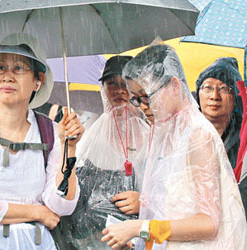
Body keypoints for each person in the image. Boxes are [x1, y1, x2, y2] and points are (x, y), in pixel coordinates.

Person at [101, 44, 247, 250]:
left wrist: (140, 228)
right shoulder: (163, 130)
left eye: (146, 96)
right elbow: (170, 207)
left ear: (175, 86)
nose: (143, 106)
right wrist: (138, 240)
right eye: (136, 99)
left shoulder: (197, 135)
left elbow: (208, 223)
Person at [0, 33, 84, 249]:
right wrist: (36, 212)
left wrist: (70, 149)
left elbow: (59, 205)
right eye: (0, 68)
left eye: (19, 68)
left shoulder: (52, 133)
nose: (8, 76)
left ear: (38, 81)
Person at [57, 56, 149, 250]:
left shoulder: (154, 135)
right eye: (111, 83)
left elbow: (170, 193)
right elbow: (73, 195)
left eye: (125, 83)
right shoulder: (91, 134)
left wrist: (145, 203)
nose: (119, 90)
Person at [195, 57, 243, 170]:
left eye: (224, 88)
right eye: (208, 87)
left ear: (235, 97)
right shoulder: (184, 133)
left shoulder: (243, 139)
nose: (215, 96)